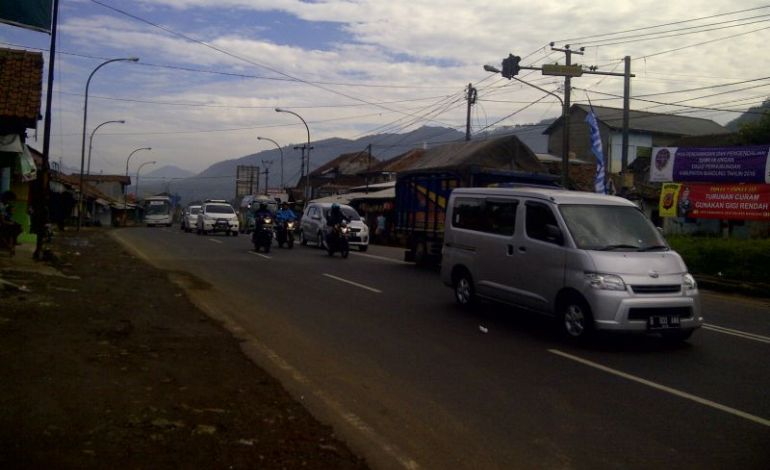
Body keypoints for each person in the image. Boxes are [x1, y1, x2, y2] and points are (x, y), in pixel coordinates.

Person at [0, 191, 22, 255]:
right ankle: (11, 244)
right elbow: (2, 220)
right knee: (14, 228)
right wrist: (10, 223)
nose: (11, 202)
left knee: (17, 226)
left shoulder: (5, 205)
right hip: (2, 223)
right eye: (11, 200)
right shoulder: (1, 206)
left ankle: (12, 243)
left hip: (4, 222)